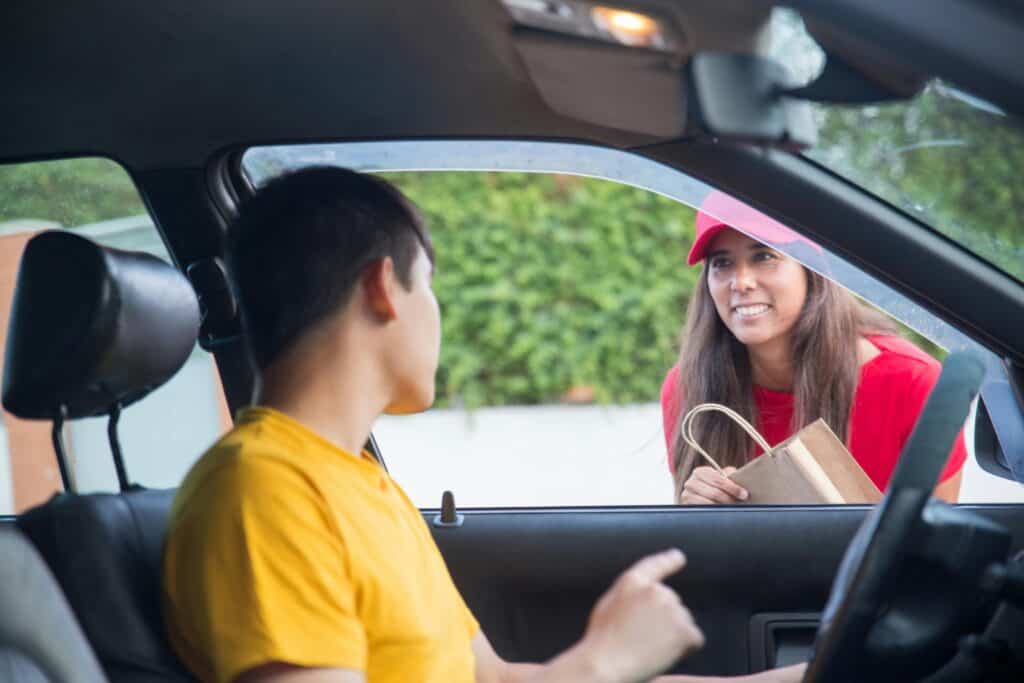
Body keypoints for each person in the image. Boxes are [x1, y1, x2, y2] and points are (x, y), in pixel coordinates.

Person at [162, 168, 803, 683]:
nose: (437, 317)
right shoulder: (265, 492)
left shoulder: (359, 486)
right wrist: (601, 663)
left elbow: (492, 678)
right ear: (384, 289)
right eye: (431, 287)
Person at [661, 191, 966, 505]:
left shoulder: (912, 381)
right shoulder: (688, 388)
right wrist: (700, 510)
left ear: (811, 269)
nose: (741, 282)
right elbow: (705, 549)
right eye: (721, 263)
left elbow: (932, 544)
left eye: (764, 256)